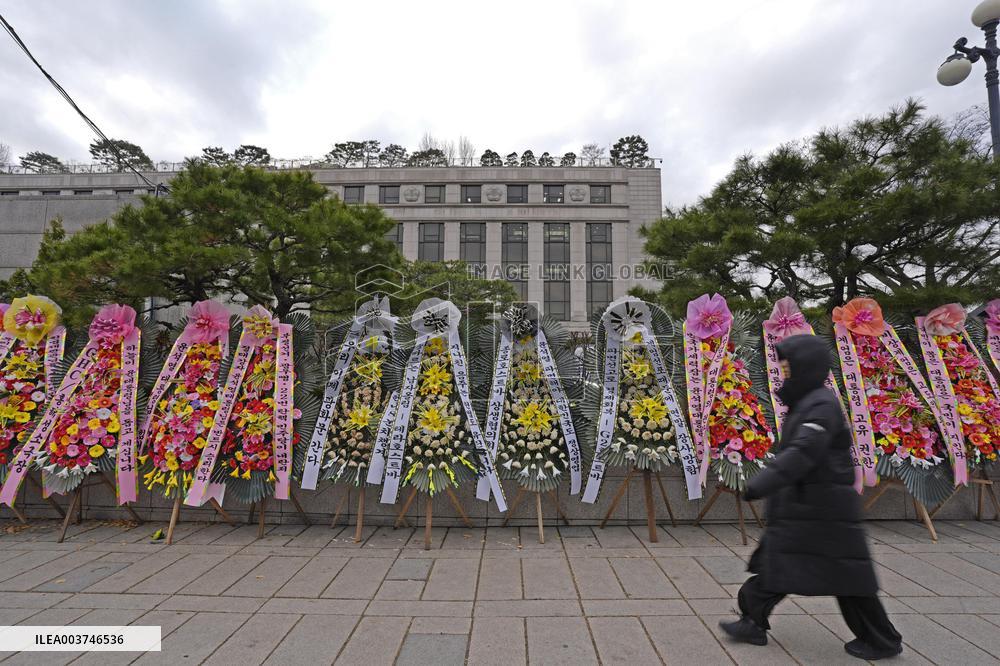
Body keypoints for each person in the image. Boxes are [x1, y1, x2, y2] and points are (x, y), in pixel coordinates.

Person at [719, 334, 902, 661]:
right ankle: (752, 622)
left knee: (849, 583)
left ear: (807, 367)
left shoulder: (821, 406)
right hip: (805, 508)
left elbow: (802, 453)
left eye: (789, 367)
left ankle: (882, 640)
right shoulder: (808, 402)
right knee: (778, 566)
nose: (784, 372)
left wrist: (759, 484)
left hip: (824, 512)